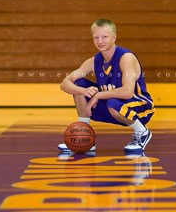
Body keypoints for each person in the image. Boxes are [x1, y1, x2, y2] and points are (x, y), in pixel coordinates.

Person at [58, 18, 155, 153]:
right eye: (96, 37)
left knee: (112, 102)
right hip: (114, 107)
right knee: (78, 84)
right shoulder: (94, 61)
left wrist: (97, 95)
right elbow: (65, 83)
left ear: (114, 37)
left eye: (104, 36)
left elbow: (127, 92)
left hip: (139, 106)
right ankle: (85, 136)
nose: (100, 41)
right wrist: (83, 91)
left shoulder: (125, 57)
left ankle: (142, 132)